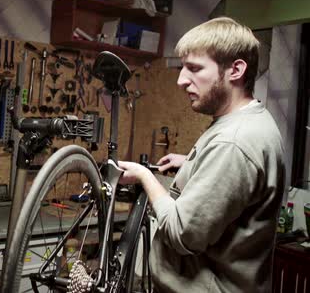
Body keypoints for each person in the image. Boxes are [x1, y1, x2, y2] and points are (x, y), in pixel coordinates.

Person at [118, 17, 285, 292]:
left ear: (236, 70)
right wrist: (192, 163)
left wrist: (145, 177)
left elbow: (182, 235)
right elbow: (236, 178)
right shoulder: (249, 121)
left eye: (194, 68)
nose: (182, 80)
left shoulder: (234, 143)